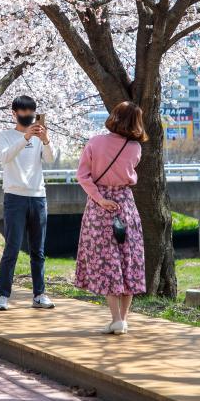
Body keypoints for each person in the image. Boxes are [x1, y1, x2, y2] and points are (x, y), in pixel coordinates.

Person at [74, 101, 148, 336]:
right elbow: (129, 173)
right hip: (125, 205)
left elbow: (83, 176)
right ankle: (123, 321)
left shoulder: (95, 142)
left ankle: (115, 318)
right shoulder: (135, 147)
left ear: (115, 117)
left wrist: (99, 199)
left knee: (107, 260)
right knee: (129, 260)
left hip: (99, 208)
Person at [0, 95, 56, 311]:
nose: (28, 116)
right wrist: (25, 138)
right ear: (14, 113)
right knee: (11, 248)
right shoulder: (5, 135)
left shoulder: (40, 136)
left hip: (38, 196)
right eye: (23, 112)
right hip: (14, 197)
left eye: (31, 112)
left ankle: (39, 295)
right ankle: (2, 295)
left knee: (38, 250)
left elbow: (49, 159)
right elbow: (4, 157)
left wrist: (46, 139)